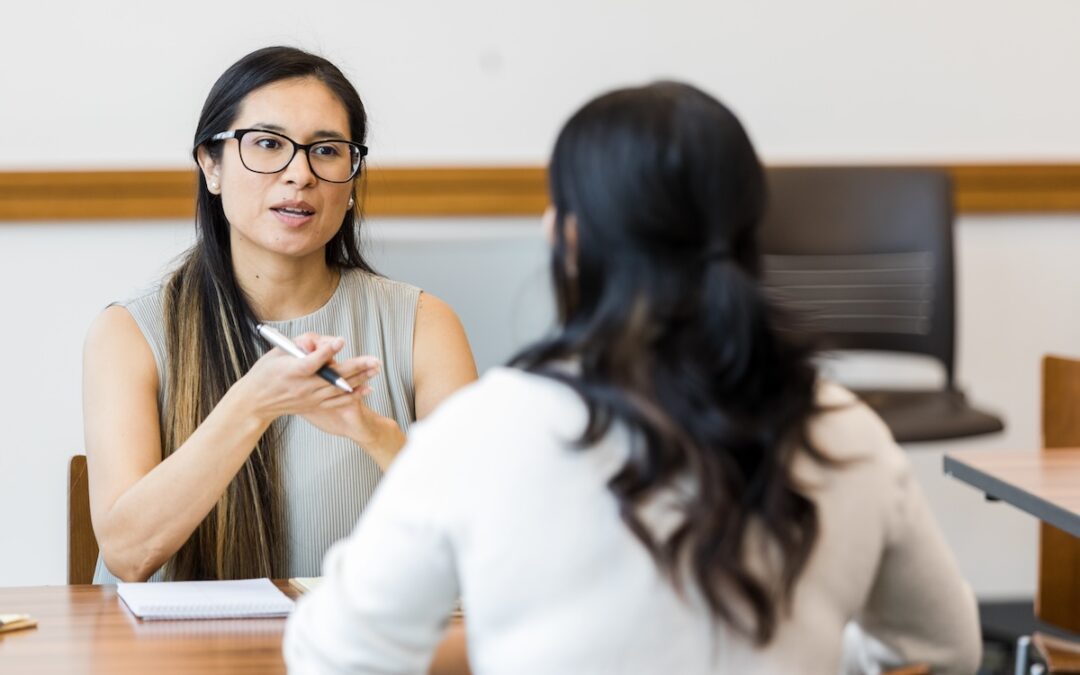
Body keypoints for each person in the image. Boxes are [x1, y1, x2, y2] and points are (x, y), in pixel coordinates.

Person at [283, 81, 981, 674]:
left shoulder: (489, 428)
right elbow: (947, 645)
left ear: (568, 238)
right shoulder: (842, 426)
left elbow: (334, 652)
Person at [83, 46, 477, 583]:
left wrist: (372, 434)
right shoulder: (128, 332)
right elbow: (128, 555)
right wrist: (254, 402)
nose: (300, 174)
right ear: (211, 165)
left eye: (327, 151)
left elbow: (481, 538)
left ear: (352, 178)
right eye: (268, 144)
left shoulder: (425, 325)